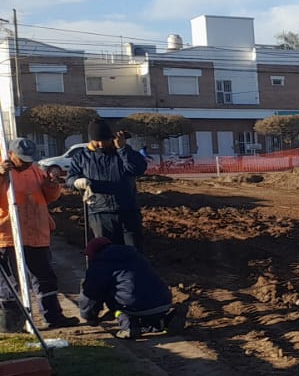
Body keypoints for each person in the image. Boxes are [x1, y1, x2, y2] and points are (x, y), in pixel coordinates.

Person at [0, 138, 81, 332]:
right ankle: (11, 325)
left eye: (30, 159)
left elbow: (49, 197)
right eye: (23, 160)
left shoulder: (35, 170)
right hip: (9, 235)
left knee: (45, 278)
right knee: (11, 283)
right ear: (12, 155)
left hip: (36, 233)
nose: (27, 163)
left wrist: (51, 184)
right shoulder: (4, 170)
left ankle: (52, 316)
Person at [76, 237, 188, 340]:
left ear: (94, 254)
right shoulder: (135, 255)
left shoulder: (100, 265)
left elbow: (90, 294)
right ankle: (164, 321)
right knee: (135, 295)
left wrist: (89, 316)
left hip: (133, 305)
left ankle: (128, 325)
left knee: (116, 299)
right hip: (163, 302)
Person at [67, 118, 148, 250]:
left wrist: (122, 149)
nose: (100, 144)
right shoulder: (82, 157)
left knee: (134, 253)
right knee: (107, 254)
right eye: (96, 141)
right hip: (99, 213)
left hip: (128, 212)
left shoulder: (123, 153)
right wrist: (77, 182)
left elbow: (138, 169)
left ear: (111, 138)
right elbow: (70, 179)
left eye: (103, 140)